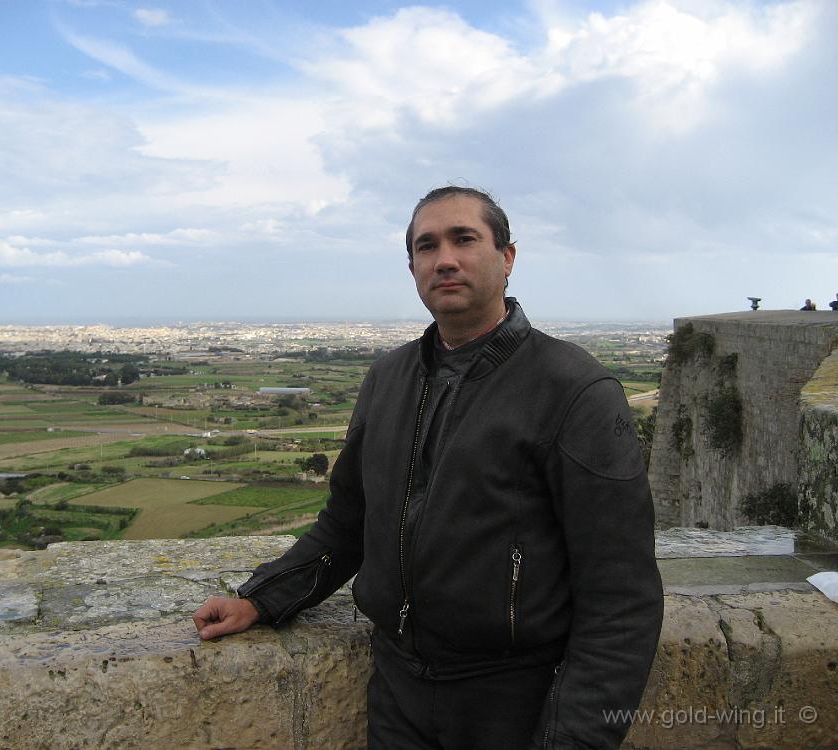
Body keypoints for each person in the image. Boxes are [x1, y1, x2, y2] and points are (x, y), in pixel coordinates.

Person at [193, 186, 664, 749]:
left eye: (464, 238)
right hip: (398, 692)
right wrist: (263, 598)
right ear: (412, 266)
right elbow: (348, 524)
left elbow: (620, 596)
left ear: (507, 257)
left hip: (515, 697)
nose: (444, 258)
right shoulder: (388, 379)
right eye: (426, 246)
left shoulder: (574, 390)